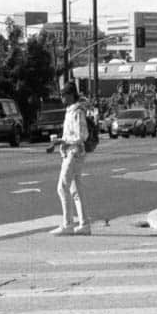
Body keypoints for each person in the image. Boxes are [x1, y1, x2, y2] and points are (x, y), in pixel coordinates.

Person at [49, 80, 91, 235]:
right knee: (75, 189)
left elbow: (82, 136)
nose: (62, 98)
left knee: (62, 187)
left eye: (64, 95)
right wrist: (60, 143)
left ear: (71, 95)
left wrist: (64, 141)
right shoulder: (70, 111)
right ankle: (84, 223)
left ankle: (68, 224)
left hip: (75, 153)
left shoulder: (77, 112)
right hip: (70, 152)